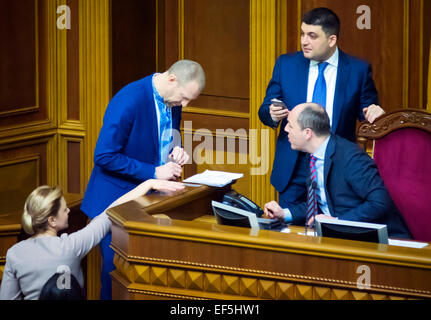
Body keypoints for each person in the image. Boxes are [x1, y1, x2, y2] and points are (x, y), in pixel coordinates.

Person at [80, 59, 205, 299]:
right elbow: (104, 156)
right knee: (116, 277)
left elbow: (160, 141)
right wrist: (154, 173)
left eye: (191, 99)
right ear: (172, 78)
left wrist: (175, 150)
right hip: (114, 204)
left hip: (149, 202)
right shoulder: (129, 100)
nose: (185, 104)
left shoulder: (173, 100)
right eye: (185, 97)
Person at [258, 7, 385, 212]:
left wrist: (376, 113)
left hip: (335, 167)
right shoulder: (286, 64)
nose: (304, 41)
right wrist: (271, 114)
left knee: (330, 230)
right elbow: (265, 108)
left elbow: (368, 111)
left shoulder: (357, 70)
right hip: (293, 166)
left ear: (331, 40)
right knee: (290, 228)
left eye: (312, 35)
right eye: (302, 34)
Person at [0, 180, 185, 300]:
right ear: (52, 220)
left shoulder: (14, 254)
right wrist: (149, 183)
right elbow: (109, 213)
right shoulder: (71, 247)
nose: (69, 211)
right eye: (64, 210)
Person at [264, 103, 411, 239]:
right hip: (340, 236)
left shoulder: (351, 158)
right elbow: (320, 204)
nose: (285, 130)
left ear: (307, 133)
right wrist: (284, 214)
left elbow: (380, 203)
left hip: (383, 240)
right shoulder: (314, 155)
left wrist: (338, 222)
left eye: (290, 125)